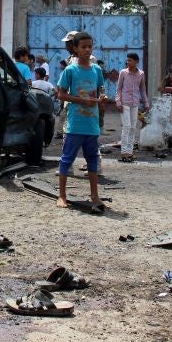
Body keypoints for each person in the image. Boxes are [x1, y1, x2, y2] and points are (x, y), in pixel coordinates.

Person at [55, 31, 107, 210]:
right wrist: (81, 100)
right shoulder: (70, 70)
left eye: (89, 46)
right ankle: (61, 195)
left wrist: (102, 98)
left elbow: (101, 88)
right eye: (83, 47)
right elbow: (60, 94)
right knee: (67, 159)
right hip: (75, 123)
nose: (87, 50)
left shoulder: (96, 70)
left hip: (91, 124)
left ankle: (95, 195)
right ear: (75, 49)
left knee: (92, 159)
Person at [115, 52, 148, 162]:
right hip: (124, 103)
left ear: (136, 61)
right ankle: (124, 152)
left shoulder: (141, 74)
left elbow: (142, 90)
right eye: (127, 60)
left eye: (130, 60)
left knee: (133, 127)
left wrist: (146, 103)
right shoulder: (123, 73)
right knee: (127, 126)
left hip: (135, 103)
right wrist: (118, 102)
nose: (128, 62)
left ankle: (130, 152)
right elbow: (119, 89)